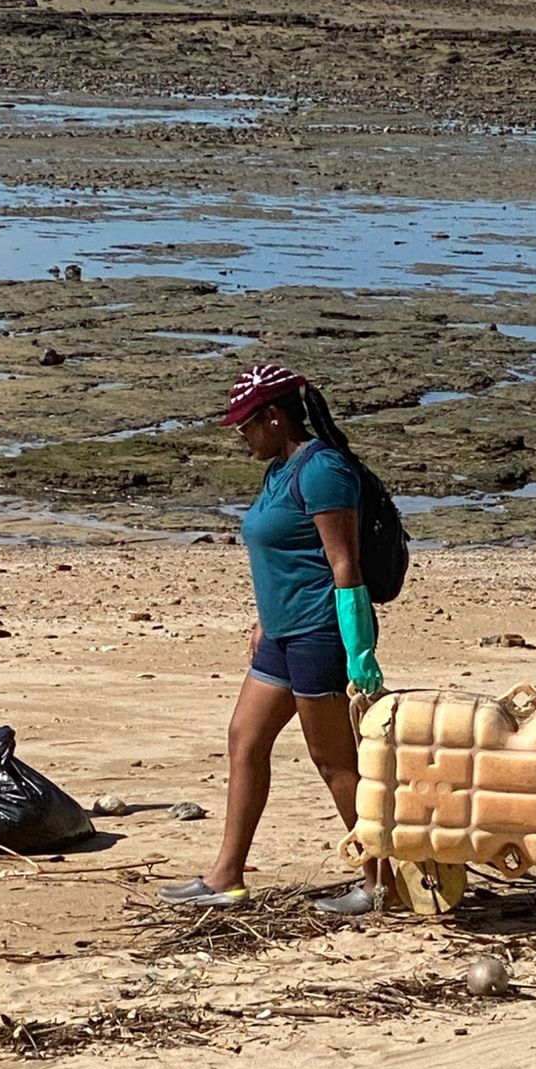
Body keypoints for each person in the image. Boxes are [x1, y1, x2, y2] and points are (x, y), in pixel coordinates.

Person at [158, 363, 391, 917]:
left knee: (334, 761)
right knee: (245, 738)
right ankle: (226, 876)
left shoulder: (323, 472)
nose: (240, 435)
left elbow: (344, 566)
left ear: (273, 417)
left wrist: (359, 652)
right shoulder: (278, 471)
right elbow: (283, 556)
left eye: (245, 425)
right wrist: (265, 619)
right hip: (281, 636)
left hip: (318, 636)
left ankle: (380, 878)